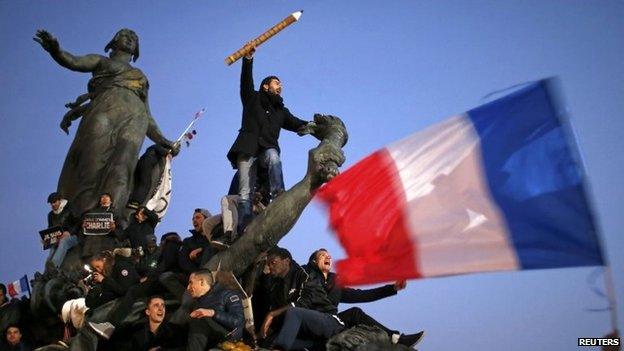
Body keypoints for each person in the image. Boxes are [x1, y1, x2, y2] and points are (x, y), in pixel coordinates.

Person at [34, 29, 178, 219]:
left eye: (134, 39)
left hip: (135, 121)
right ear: (114, 41)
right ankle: (81, 219)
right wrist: (56, 51)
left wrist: (162, 139)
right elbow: (74, 61)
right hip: (103, 112)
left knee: (123, 168)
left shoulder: (139, 76)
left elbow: (147, 114)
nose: (130, 39)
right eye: (125, 36)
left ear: (137, 49)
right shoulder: (102, 61)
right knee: (91, 164)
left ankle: (112, 218)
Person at [226, 44, 311, 233]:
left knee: (273, 156)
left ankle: (279, 192)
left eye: (280, 84)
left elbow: (299, 124)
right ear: (266, 86)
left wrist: (317, 126)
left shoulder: (281, 111)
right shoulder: (252, 98)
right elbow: (245, 82)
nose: (280, 86)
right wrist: (247, 60)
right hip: (247, 149)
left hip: (266, 149)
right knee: (245, 192)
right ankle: (244, 227)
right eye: (276, 82)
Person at [304, 248, 424, 348]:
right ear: (314, 262)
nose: (328, 257)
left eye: (329, 256)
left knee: (355, 314)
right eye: (322, 255)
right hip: (310, 323)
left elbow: (363, 295)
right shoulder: (305, 274)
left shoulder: (335, 284)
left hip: (331, 324)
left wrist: (392, 288)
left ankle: (396, 338)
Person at [186, 270, 245, 350]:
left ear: (202, 282)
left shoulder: (228, 295)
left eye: (191, 282)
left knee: (199, 321)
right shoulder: (197, 302)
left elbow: (238, 321)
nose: (188, 287)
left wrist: (213, 313)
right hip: (209, 340)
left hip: (228, 340)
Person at [80, 193, 123, 259]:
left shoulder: (115, 214)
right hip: (91, 243)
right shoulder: (91, 212)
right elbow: (84, 231)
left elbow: (120, 233)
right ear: (100, 201)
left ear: (111, 201)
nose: (105, 198)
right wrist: (84, 227)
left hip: (107, 241)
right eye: (102, 197)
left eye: (107, 197)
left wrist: (114, 229)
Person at [45, 192, 80, 269]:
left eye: (54, 202)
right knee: (52, 248)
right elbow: (50, 229)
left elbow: (78, 222)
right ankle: (46, 272)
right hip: (58, 238)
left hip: (73, 237)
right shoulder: (50, 215)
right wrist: (46, 238)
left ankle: (54, 267)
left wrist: (69, 232)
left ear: (60, 200)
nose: (53, 205)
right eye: (51, 203)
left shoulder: (70, 207)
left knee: (64, 241)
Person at [178, 209, 215, 274]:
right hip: (195, 273)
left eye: (198, 217)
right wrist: (195, 273)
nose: (194, 220)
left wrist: (202, 249)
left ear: (207, 220)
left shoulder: (215, 234)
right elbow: (183, 260)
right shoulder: (188, 241)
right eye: (193, 219)